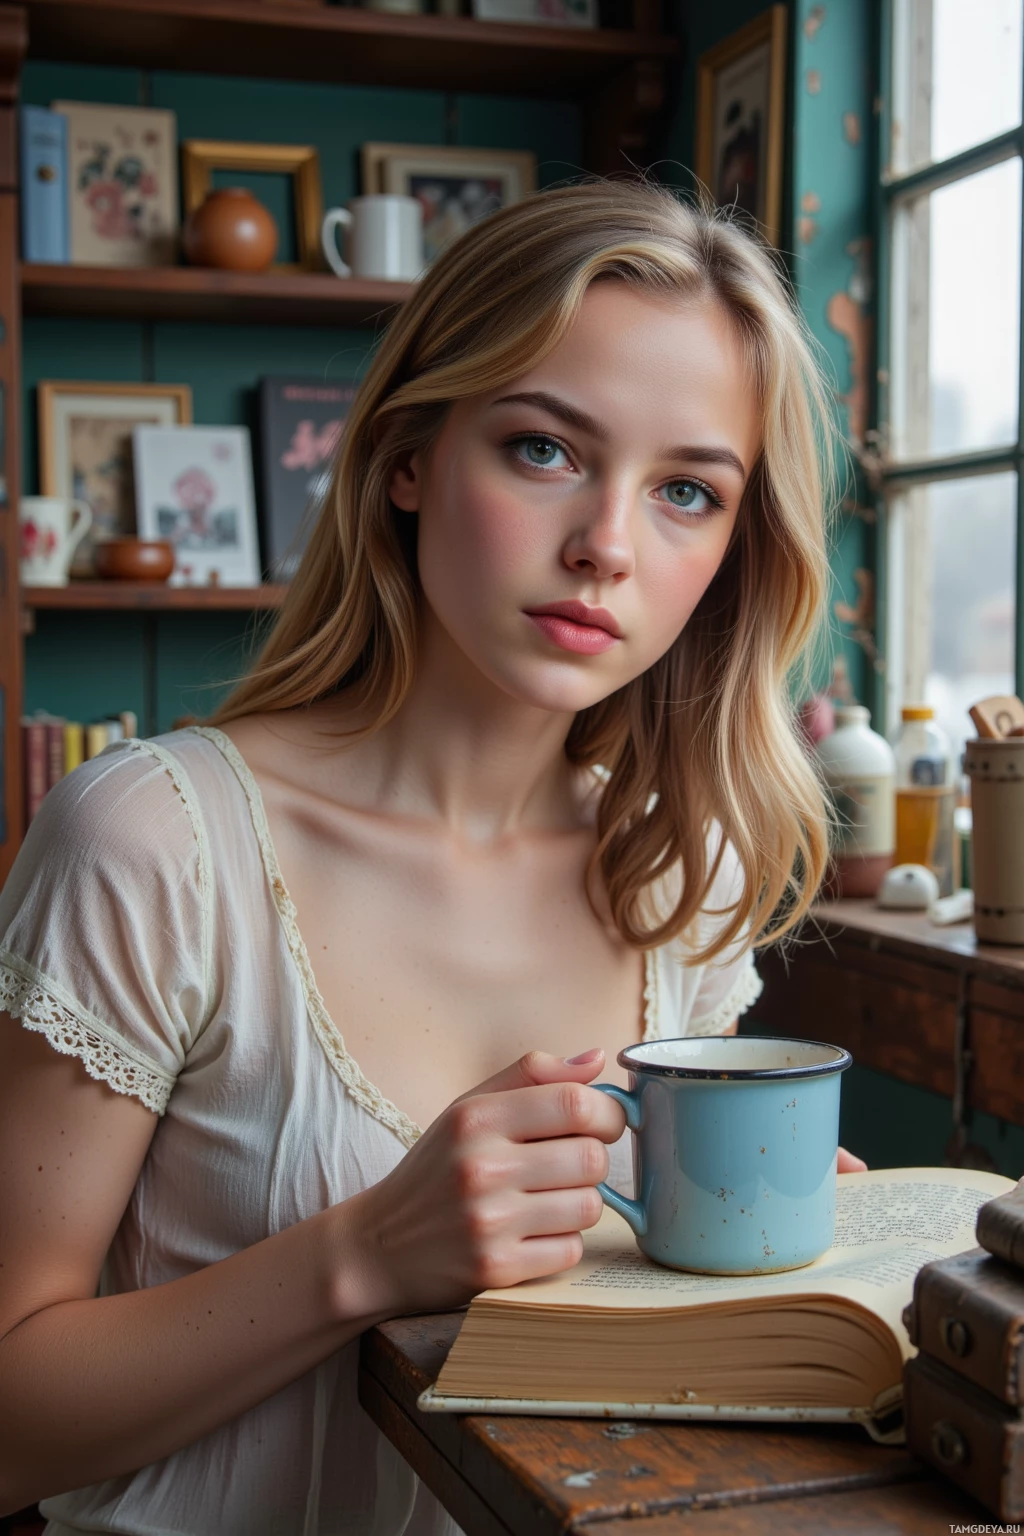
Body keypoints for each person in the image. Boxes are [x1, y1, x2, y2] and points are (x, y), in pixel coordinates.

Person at [0, 179, 864, 1536]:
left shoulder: (676, 876)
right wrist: (364, 1254)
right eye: (543, 450)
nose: (606, 547)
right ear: (409, 456)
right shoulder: (154, 846)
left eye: (687, 490)